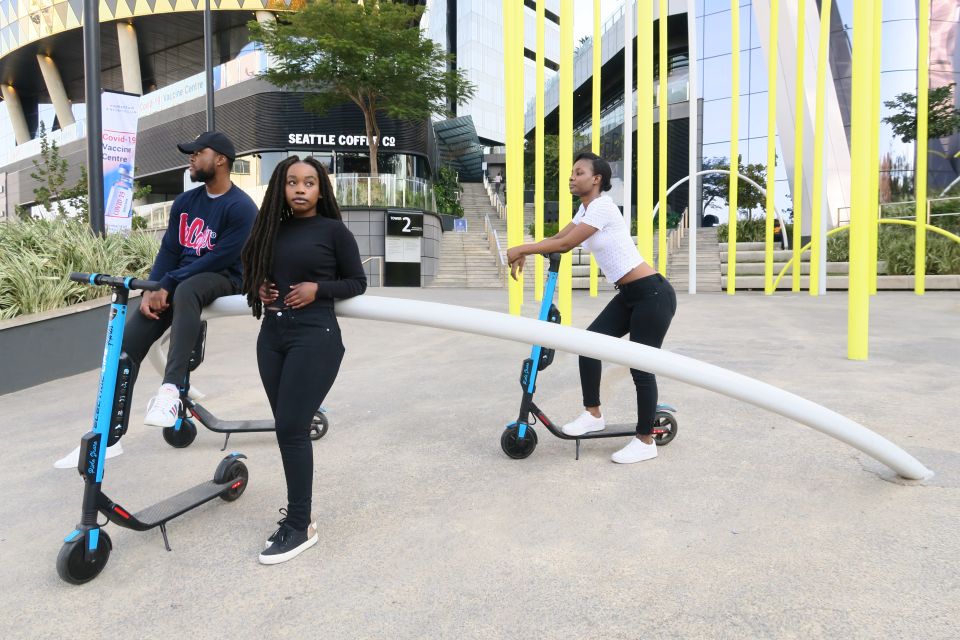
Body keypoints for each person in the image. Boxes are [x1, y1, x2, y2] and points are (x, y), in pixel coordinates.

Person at [53, 131, 258, 468]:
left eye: (197, 153)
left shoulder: (241, 207)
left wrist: (169, 283)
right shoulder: (185, 202)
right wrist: (152, 287)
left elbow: (220, 257)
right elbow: (170, 251)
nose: (190, 158)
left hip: (224, 278)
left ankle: (171, 390)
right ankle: (106, 438)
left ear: (220, 159)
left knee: (190, 287)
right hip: (178, 282)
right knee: (125, 347)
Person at [506, 152, 676, 464]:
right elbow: (559, 237)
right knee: (588, 345)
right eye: (572, 172)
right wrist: (529, 250)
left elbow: (564, 246)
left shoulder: (602, 207)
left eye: (579, 172)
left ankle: (645, 439)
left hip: (652, 294)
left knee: (641, 366)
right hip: (628, 293)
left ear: (596, 179)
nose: (572, 177)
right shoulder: (585, 210)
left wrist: (521, 249)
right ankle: (593, 414)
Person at [241, 155, 366, 564]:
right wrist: (259, 287)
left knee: (292, 429)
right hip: (271, 337)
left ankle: (300, 524)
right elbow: (254, 271)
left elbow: (357, 282)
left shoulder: (333, 230)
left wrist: (318, 289)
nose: (299, 188)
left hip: (315, 336)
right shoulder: (269, 229)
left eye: (309, 182)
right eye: (292, 181)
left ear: (320, 189)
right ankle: (298, 518)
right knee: (286, 429)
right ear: (280, 187)